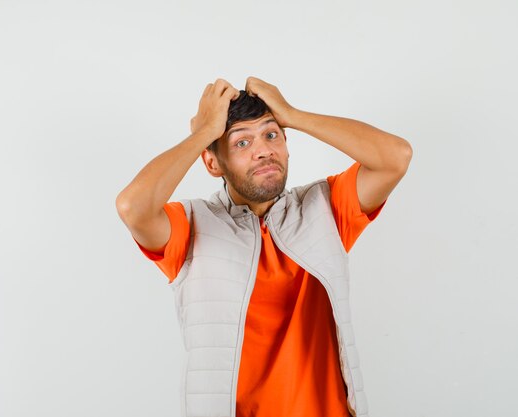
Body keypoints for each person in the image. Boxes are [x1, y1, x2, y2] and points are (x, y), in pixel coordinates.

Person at [116, 77, 412, 417]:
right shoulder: (192, 224)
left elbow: (396, 157)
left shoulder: (324, 208)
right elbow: (132, 207)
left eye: (271, 135)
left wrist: (292, 114)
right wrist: (203, 133)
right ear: (212, 162)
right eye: (241, 143)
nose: (263, 150)